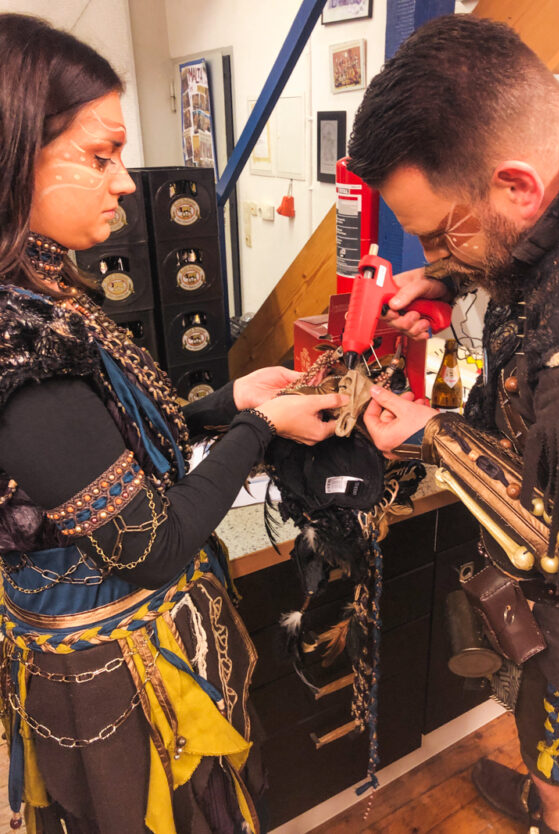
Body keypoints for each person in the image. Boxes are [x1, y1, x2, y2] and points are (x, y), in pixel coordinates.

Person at [0, 13, 346, 834]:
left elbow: (104, 444)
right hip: (119, 677)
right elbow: (150, 548)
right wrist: (259, 427)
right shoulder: (19, 345)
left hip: (143, 648)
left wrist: (229, 401)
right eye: (100, 155)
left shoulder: (44, 296)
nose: (126, 181)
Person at [348, 14, 559, 834]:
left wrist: (432, 435)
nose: (438, 252)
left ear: (514, 188)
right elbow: (546, 234)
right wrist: (451, 274)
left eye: (440, 233)